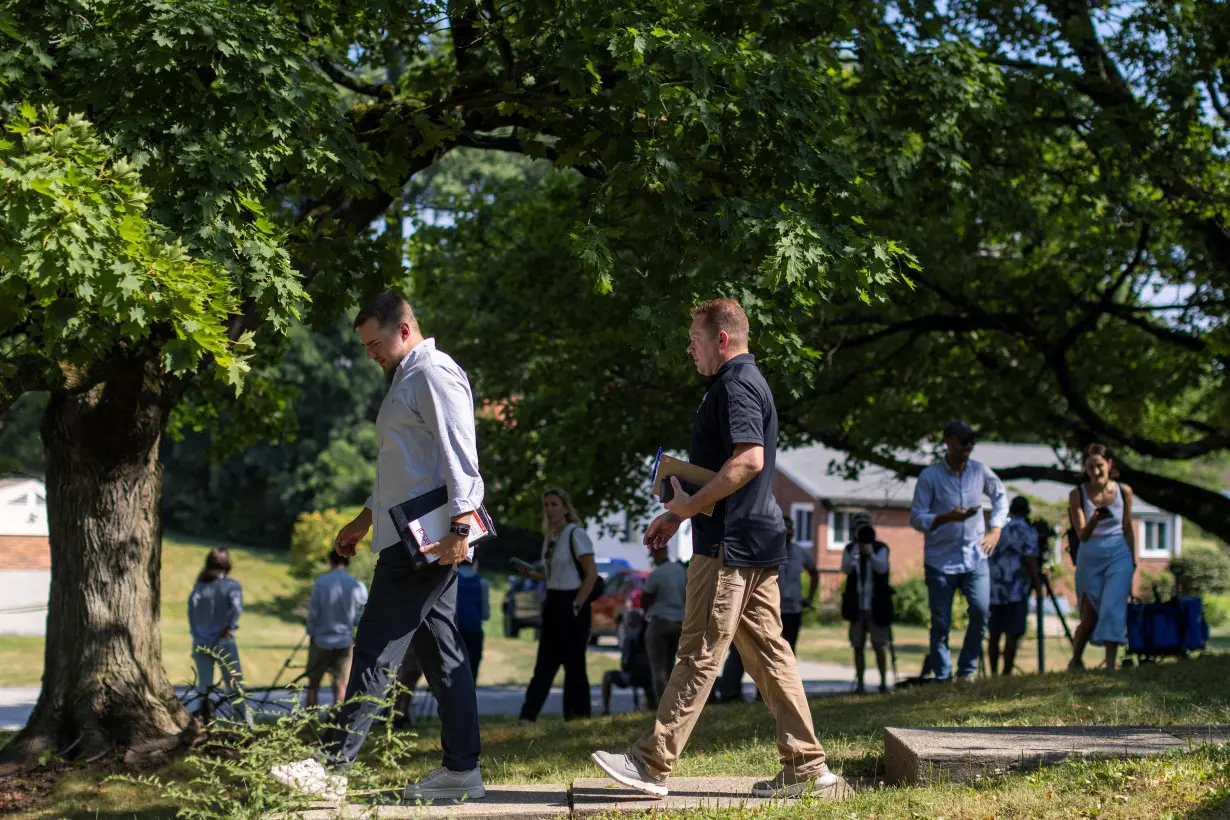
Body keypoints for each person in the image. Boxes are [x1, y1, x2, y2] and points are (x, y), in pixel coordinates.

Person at [590, 298, 837, 799]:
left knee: (700, 649)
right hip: (752, 538)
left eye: (695, 341)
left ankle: (651, 764)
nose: (689, 349)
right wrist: (676, 511)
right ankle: (807, 768)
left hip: (729, 546)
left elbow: (747, 460)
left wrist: (685, 509)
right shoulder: (740, 384)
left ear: (721, 339)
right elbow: (737, 469)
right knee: (771, 655)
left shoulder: (737, 384)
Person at [270, 292, 486, 802]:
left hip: (426, 539)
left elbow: (461, 455)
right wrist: (366, 516)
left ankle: (328, 768)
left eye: (375, 343)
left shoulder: (433, 373)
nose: (371, 354)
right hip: (403, 531)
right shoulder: (404, 379)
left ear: (404, 329)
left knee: (373, 648)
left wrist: (461, 528)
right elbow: (405, 466)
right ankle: (461, 771)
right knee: (443, 655)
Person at [909, 420, 1007, 683]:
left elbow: (1000, 496)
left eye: (972, 441)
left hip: (975, 556)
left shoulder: (980, 471)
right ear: (948, 441)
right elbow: (917, 518)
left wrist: (995, 529)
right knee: (941, 622)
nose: (969, 446)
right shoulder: (930, 476)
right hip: (940, 560)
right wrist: (946, 518)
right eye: (964, 440)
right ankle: (942, 675)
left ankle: (967, 671)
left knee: (980, 610)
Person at [516, 488, 600, 723]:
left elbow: (591, 574)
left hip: (573, 601)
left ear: (565, 508)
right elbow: (554, 575)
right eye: (546, 505)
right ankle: (527, 717)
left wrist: (576, 605)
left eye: (554, 504)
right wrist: (532, 574)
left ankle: (578, 717)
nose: (550, 509)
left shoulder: (576, 534)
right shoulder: (550, 537)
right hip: (553, 600)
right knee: (545, 662)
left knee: (574, 665)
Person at [714, 514, 816, 701]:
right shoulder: (766, 549)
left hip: (792, 610)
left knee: (787, 651)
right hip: (768, 610)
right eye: (785, 527)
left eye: (791, 527)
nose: (788, 531)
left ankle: (778, 693)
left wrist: (808, 598)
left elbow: (814, 572)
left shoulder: (801, 552)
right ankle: (739, 692)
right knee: (757, 650)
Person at [1068, 443, 1137, 673]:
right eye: (1090, 467)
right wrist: (1095, 519)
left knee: (1113, 607)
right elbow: (1082, 535)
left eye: (1099, 466)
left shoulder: (1124, 491)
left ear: (1109, 464)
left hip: (1119, 553)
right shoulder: (1077, 494)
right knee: (1089, 618)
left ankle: (1110, 665)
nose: (1095, 472)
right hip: (1090, 555)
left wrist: (1133, 560)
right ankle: (1076, 659)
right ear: (1084, 468)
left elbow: (1127, 528)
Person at [187, 548, 247, 722]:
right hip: (223, 640)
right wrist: (229, 625)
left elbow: (192, 610)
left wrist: (197, 632)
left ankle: (205, 722)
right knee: (234, 685)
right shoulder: (231, 585)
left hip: (200, 640)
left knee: (204, 687)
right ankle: (241, 723)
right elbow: (236, 607)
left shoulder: (199, 585)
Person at [304, 552, 369, 709]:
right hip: (344, 641)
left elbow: (314, 612)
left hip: (321, 639)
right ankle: (336, 722)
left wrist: (311, 631)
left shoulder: (321, 582)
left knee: (313, 683)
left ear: (330, 562)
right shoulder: (356, 585)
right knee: (340, 683)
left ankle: (309, 720)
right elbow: (363, 612)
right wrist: (352, 622)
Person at [987, 497, 1041, 677]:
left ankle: (993, 672)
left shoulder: (998, 528)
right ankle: (1006, 672)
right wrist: (1037, 585)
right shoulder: (1027, 531)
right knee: (1013, 632)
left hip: (993, 588)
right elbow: (1029, 559)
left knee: (994, 633)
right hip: (1016, 589)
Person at [840, 516, 892, 694]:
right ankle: (860, 683)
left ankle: (883, 682)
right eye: (858, 528)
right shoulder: (850, 549)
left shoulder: (880, 548)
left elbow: (882, 568)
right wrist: (856, 552)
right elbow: (845, 569)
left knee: (879, 645)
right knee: (857, 645)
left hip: (876, 605)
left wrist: (870, 553)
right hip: (857, 606)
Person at [640, 542, 687, 705]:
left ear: (657, 553)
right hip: (678, 622)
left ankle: (661, 704)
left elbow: (645, 598)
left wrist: (646, 611)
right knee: (670, 666)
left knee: (657, 667)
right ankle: (674, 701)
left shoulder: (656, 574)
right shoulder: (680, 571)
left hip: (660, 622)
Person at [601, 608, 656, 714]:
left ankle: (605, 709)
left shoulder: (629, 638)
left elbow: (625, 663)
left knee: (607, 675)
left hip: (632, 677)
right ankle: (652, 706)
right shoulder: (650, 637)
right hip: (650, 676)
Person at [455, 559, 491, 681]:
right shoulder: (482, 582)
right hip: (474, 629)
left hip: (454, 630)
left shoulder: (452, 580)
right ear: (476, 562)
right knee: (472, 664)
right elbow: (486, 614)